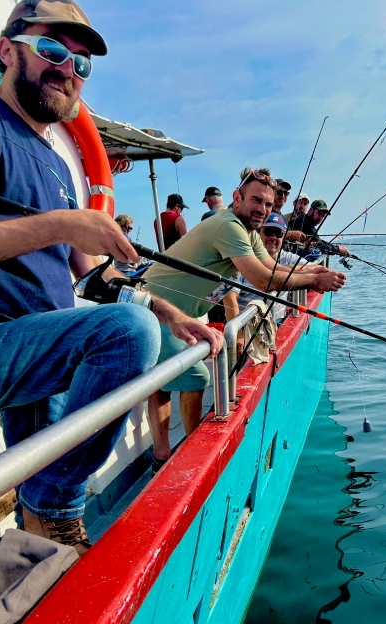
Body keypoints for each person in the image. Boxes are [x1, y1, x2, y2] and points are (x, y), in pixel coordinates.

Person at [0, 0, 221, 554]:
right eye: (51, 49)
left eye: (81, 64)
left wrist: (170, 314)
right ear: (6, 51)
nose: (67, 70)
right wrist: (62, 224)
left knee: (138, 323)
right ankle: (52, 508)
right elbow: (61, 235)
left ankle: (38, 538)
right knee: (124, 336)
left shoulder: (57, 167)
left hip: (36, 342)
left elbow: (93, 278)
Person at [143, 168, 346, 468]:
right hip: (157, 308)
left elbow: (270, 264)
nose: (262, 209)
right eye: (256, 200)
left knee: (163, 384)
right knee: (196, 378)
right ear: (237, 198)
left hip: (179, 312)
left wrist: (313, 271)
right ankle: (190, 458)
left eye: (267, 203)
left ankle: (162, 455)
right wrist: (314, 283)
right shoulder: (229, 226)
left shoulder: (247, 231)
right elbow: (263, 280)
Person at [233, 212, 322, 323]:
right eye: (268, 232)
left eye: (279, 233)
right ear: (257, 233)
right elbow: (231, 298)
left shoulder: (287, 258)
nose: (273, 237)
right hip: (248, 325)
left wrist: (321, 275)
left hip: (277, 322)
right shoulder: (243, 259)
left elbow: (310, 266)